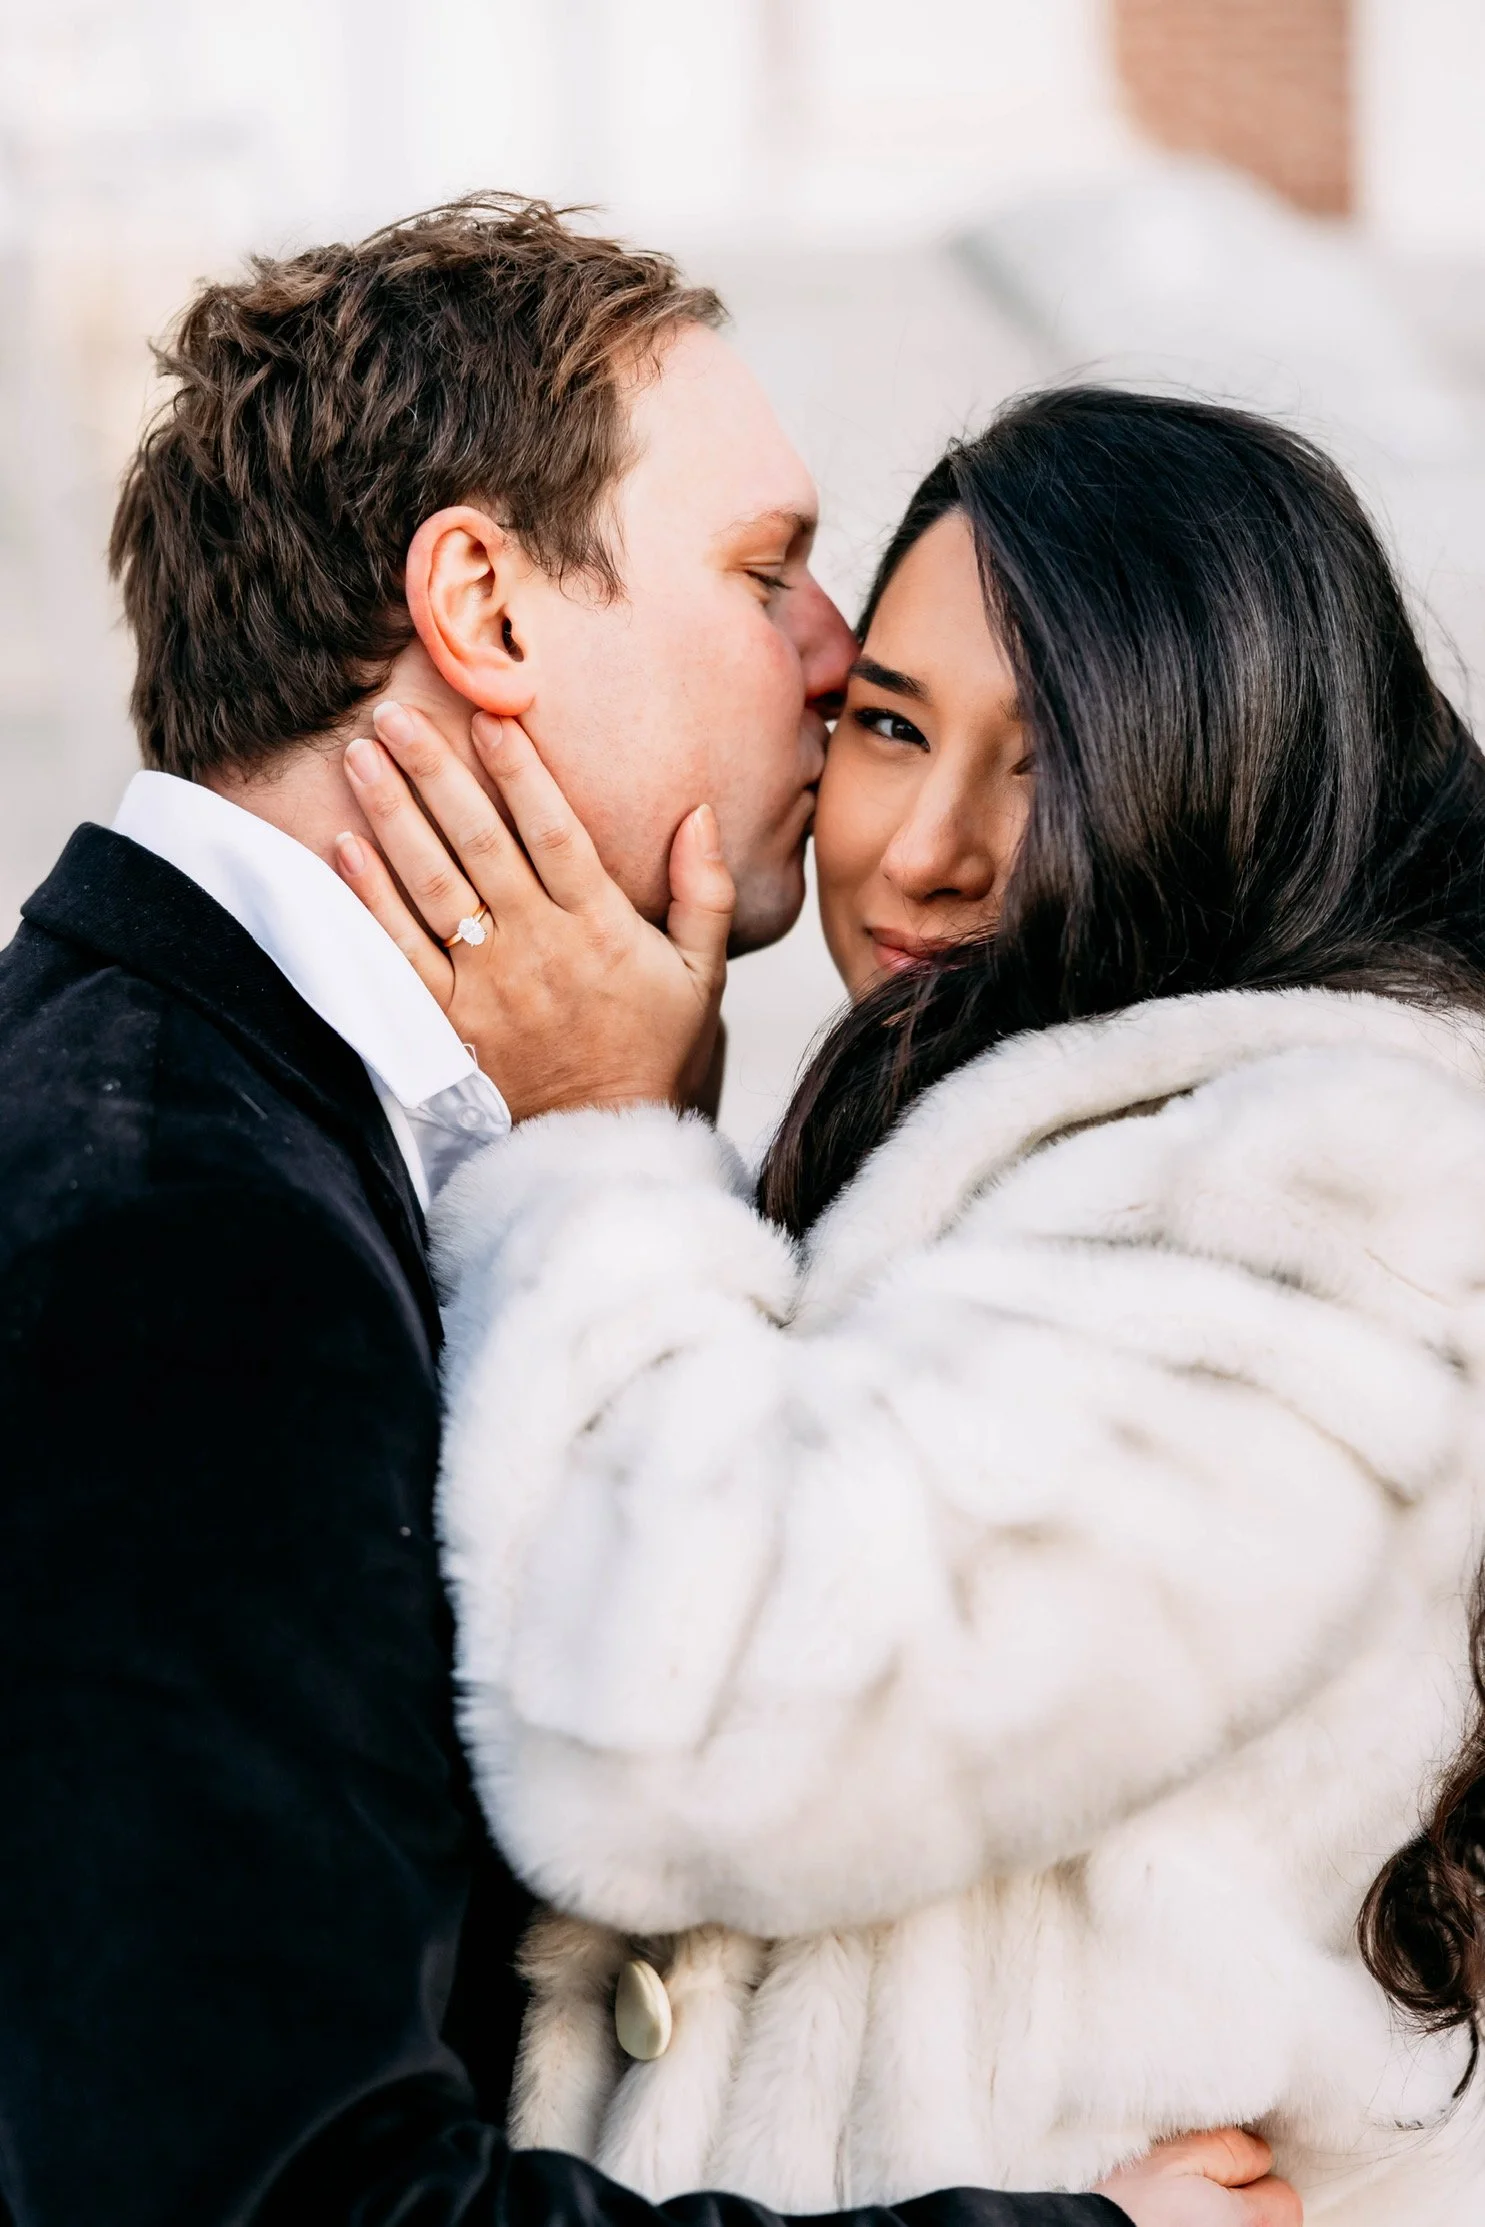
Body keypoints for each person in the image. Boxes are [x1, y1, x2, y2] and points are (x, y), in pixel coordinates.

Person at [0, 199, 1279, 2227]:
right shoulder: (182, 1228)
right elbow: (269, 2201)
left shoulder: (238, 1109)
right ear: (485, 605)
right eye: (764, 568)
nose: (836, 650)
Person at [341, 386, 1485, 2225]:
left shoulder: (1336, 1184)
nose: (923, 847)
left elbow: (694, 1724)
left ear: (1241, 772)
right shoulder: (1001, 1158)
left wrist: (602, 1140)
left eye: (1047, 761)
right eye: (888, 721)